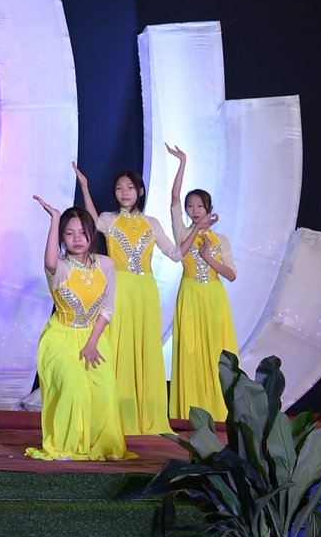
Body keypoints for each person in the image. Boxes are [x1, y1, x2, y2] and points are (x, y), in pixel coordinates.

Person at [73, 161, 181, 437]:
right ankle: (114, 413)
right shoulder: (108, 219)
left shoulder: (151, 223)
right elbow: (92, 220)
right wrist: (85, 187)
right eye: (119, 188)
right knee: (115, 345)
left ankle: (144, 413)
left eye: (130, 188)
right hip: (118, 288)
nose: (124, 192)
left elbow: (175, 254)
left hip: (145, 292)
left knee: (144, 346)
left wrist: (193, 230)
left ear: (140, 191)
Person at [25, 198, 133, 461]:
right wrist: (54, 219)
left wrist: (92, 342)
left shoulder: (106, 265)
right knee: (74, 388)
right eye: (69, 233)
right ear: (62, 238)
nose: (77, 239)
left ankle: (105, 446)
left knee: (105, 390)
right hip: (60, 337)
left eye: (83, 233)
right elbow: (50, 261)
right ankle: (66, 445)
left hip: (93, 337)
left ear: (92, 234)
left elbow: (107, 309)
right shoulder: (60, 267)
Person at [166, 145, 239, 421]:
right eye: (190, 206)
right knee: (191, 350)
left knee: (216, 352)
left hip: (214, 298)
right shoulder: (183, 232)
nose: (194, 210)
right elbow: (173, 198)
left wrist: (209, 259)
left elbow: (231, 275)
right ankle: (191, 410)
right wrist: (182, 162)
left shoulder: (222, 240)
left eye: (199, 206)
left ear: (209, 209)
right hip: (190, 295)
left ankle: (220, 410)